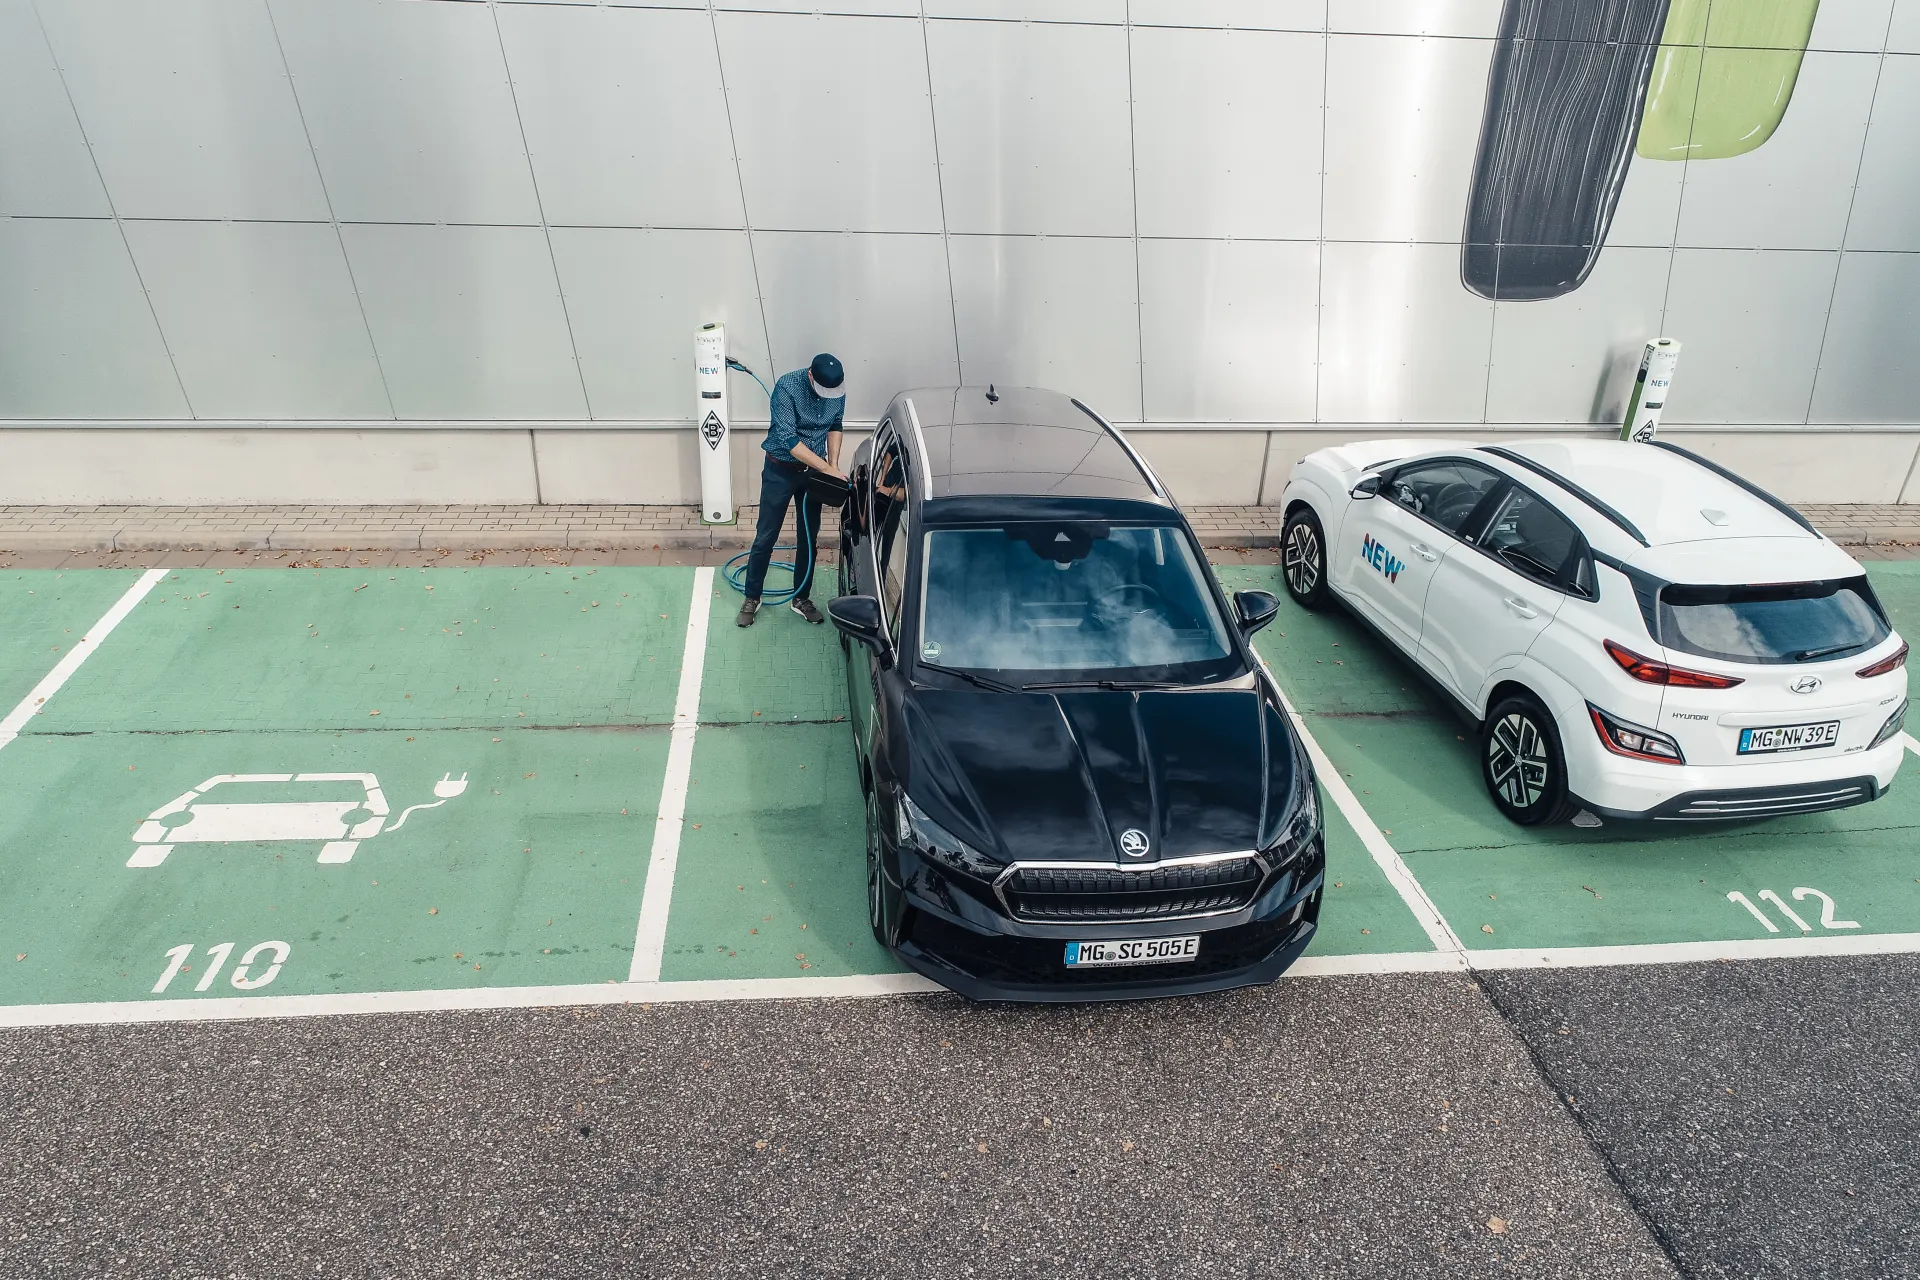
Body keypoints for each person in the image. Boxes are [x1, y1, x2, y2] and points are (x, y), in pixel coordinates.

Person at [737, 353, 845, 627]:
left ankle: (801, 598)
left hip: (814, 473)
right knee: (766, 536)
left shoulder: (836, 388)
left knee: (809, 536)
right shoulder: (787, 387)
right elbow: (789, 441)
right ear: (810, 375)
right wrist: (827, 469)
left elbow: (835, 425)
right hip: (780, 471)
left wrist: (832, 465)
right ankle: (753, 596)